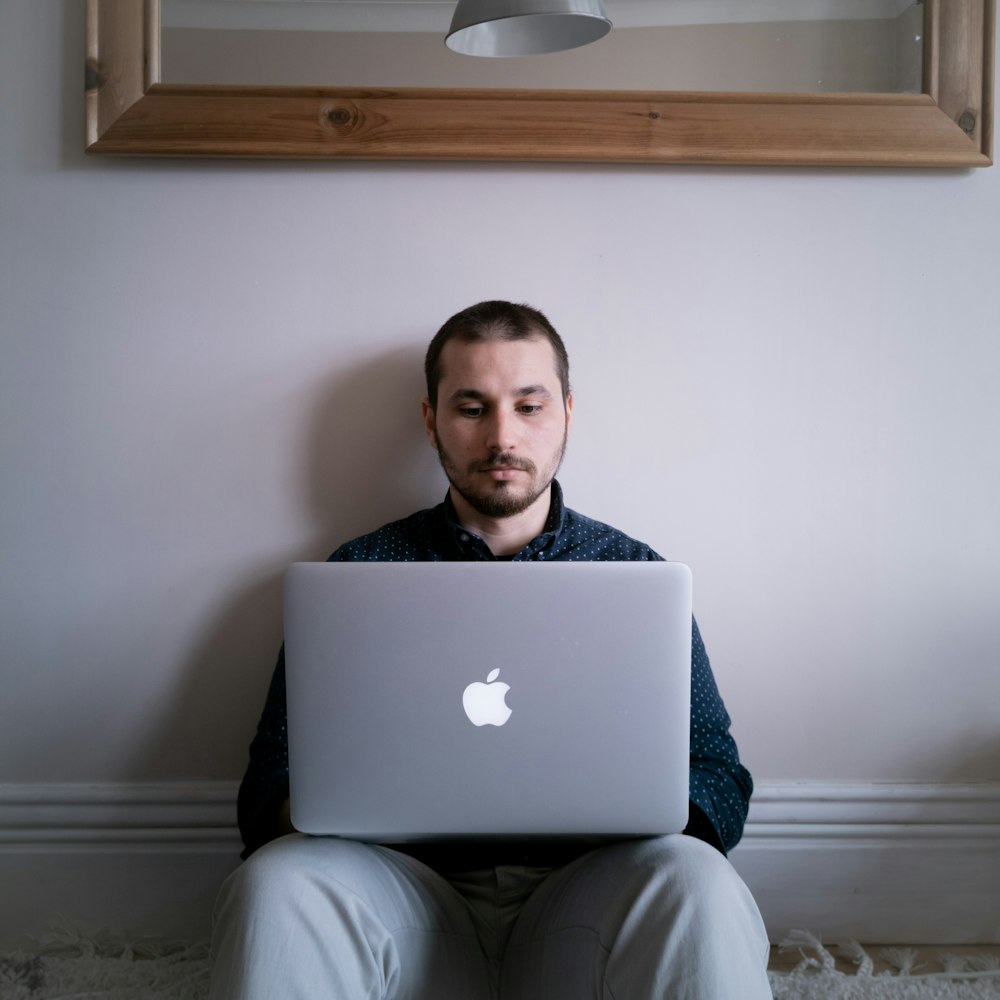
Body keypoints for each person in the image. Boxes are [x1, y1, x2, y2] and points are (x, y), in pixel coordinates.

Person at [210, 300, 772, 1000]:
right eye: (472, 408)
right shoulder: (358, 574)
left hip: (582, 905)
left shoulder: (635, 576)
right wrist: (327, 800)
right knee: (277, 882)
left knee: (698, 882)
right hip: (405, 902)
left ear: (567, 411)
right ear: (431, 420)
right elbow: (268, 782)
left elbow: (719, 774)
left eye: (528, 406)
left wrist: (643, 805)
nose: (502, 436)